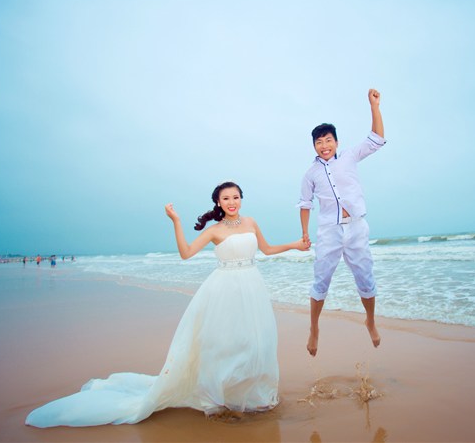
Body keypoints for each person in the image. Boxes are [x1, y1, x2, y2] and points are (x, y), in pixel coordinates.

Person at [25, 181, 309, 428]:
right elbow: (186, 253)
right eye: (226, 198)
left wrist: (295, 245)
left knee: (257, 342)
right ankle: (220, 399)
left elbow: (267, 249)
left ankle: (253, 396)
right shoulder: (214, 230)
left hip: (253, 287)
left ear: (241, 199)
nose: (231, 202)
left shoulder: (251, 223)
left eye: (235, 197)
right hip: (224, 290)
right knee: (225, 345)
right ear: (218, 202)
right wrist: (175, 221)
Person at [297, 88, 386, 356]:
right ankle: (314, 328)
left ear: (336, 142)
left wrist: (374, 107)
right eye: (319, 142)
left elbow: (377, 139)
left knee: (365, 277)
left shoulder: (350, 156)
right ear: (314, 146)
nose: (324, 145)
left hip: (357, 227)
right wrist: (304, 233)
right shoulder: (310, 174)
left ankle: (370, 321)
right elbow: (305, 204)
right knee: (321, 280)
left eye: (328, 140)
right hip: (329, 230)